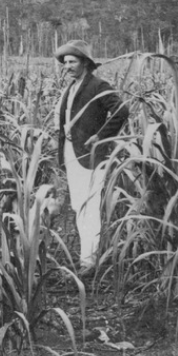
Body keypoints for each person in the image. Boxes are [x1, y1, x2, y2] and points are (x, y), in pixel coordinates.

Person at [54, 40, 129, 274]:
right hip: (72, 152)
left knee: (90, 206)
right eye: (65, 62)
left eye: (72, 62)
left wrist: (100, 136)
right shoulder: (72, 87)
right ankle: (85, 257)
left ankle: (90, 261)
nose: (67, 66)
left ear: (85, 63)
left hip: (91, 156)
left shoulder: (98, 85)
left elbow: (121, 111)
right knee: (79, 205)